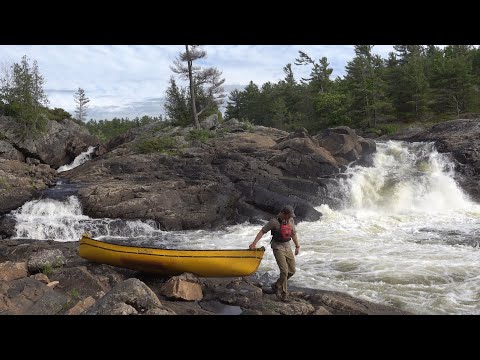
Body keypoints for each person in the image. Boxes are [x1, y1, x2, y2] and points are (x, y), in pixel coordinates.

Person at [249, 205, 300, 301]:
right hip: (277, 247)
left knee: (292, 271)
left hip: (287, 247)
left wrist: (297, 246)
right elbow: (262, 231)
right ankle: (284, 294)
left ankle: (276, 285)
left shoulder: (291, 220)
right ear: (284, 213)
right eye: (289, 215)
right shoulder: (274, 222)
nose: (291, 217)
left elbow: (293, 234)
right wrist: (254, 243)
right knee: (284, 271)